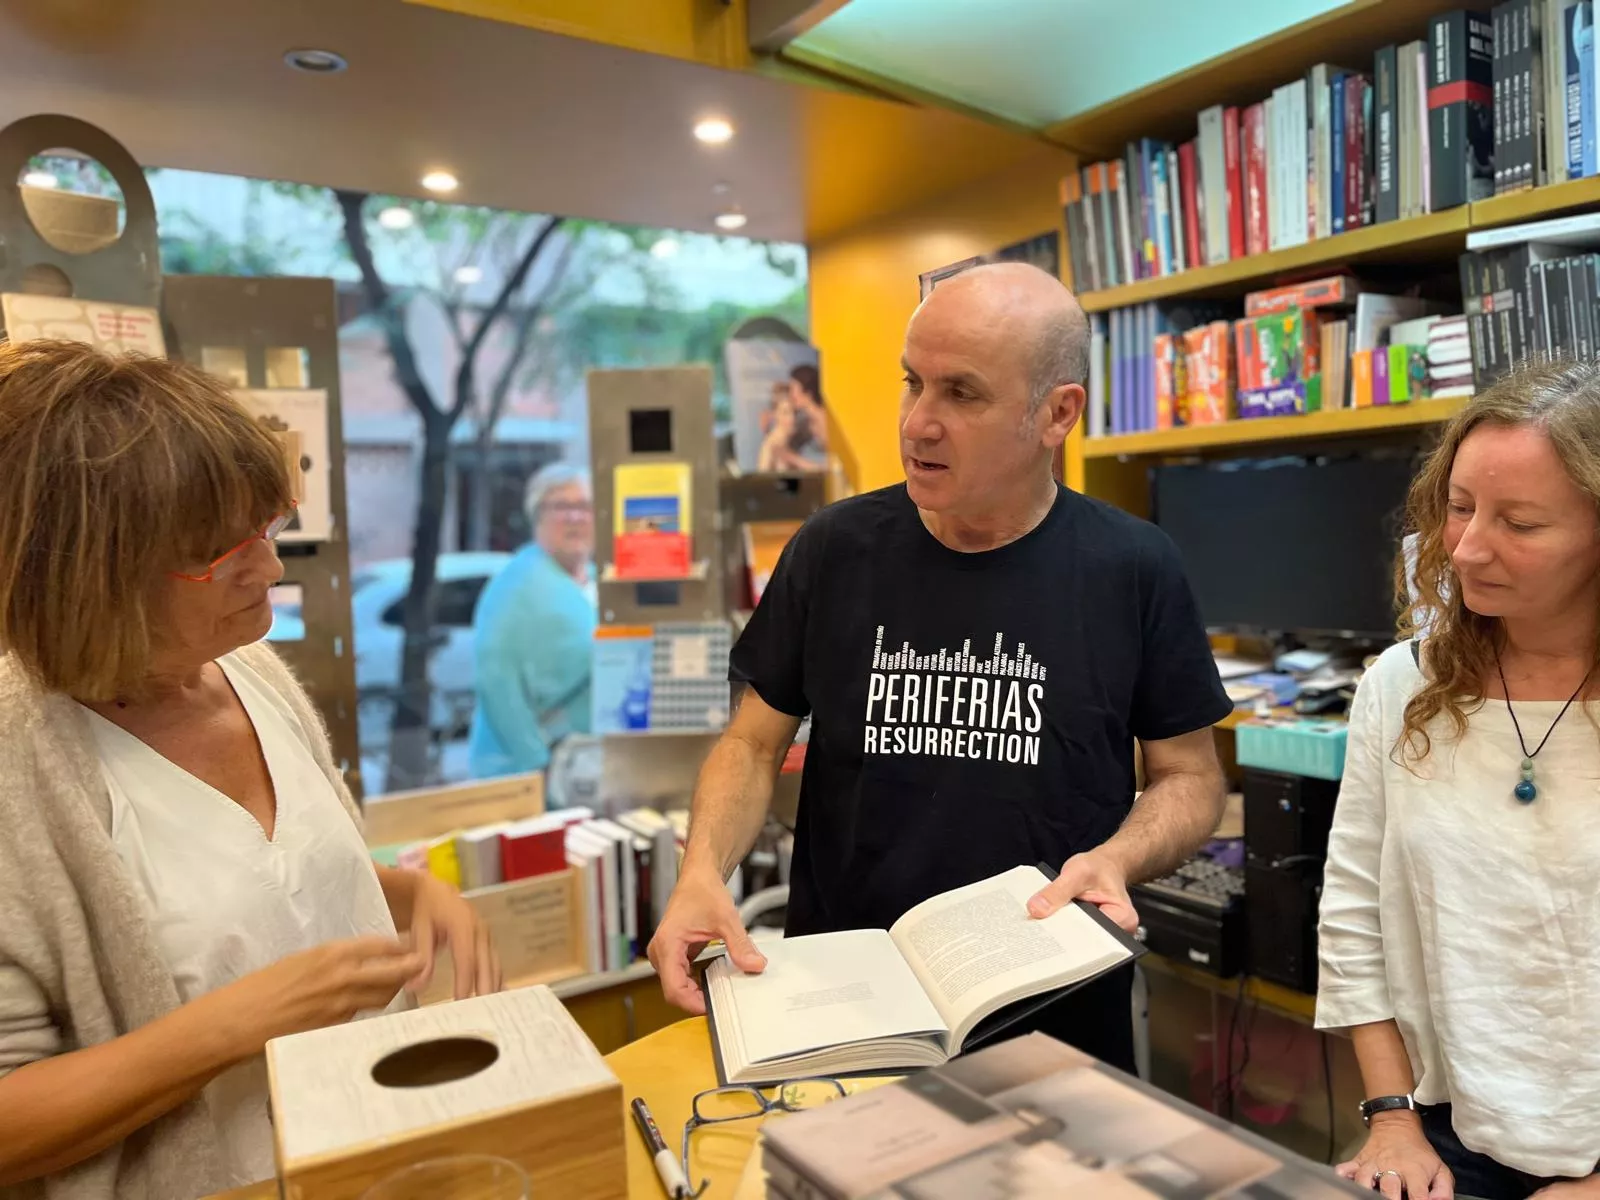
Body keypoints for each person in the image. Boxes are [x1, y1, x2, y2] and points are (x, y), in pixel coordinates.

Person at [646, 262, 1231, 1071]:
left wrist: (1118, 858)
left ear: (1057, 414)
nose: (918, 423)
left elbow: (1190, 779)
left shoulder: (1133, 567)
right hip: (848, 1009)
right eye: (912, 383)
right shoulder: (832, 550)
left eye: (962, 394)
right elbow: (751, 745)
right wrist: (701, 871)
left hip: (1051, 1018)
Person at [0, 341, 500, 1198]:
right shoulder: (23, 761)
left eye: (266, 529)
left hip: (383, 1160)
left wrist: (410, 895)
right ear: (85, 577)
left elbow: (265, 883)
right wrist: (229, 1028)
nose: (268, 567)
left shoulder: (249, 672)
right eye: (220, 552)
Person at [1318, 362, 1600, 1200]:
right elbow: (1355, 912)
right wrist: (1391, 1119)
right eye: (1460, 506)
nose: (1467, 547)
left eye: (1520, 523)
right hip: (1442, 1131)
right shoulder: (1401, 686)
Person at [467, 462, 598, 779]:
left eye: (585, 506)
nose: (575, 517)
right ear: (537, 516)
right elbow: (497, 683)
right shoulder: (514, 586)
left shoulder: (599, 581)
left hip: (589, 765)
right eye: (561, 506)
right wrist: (534, 762)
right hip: (529, 770)